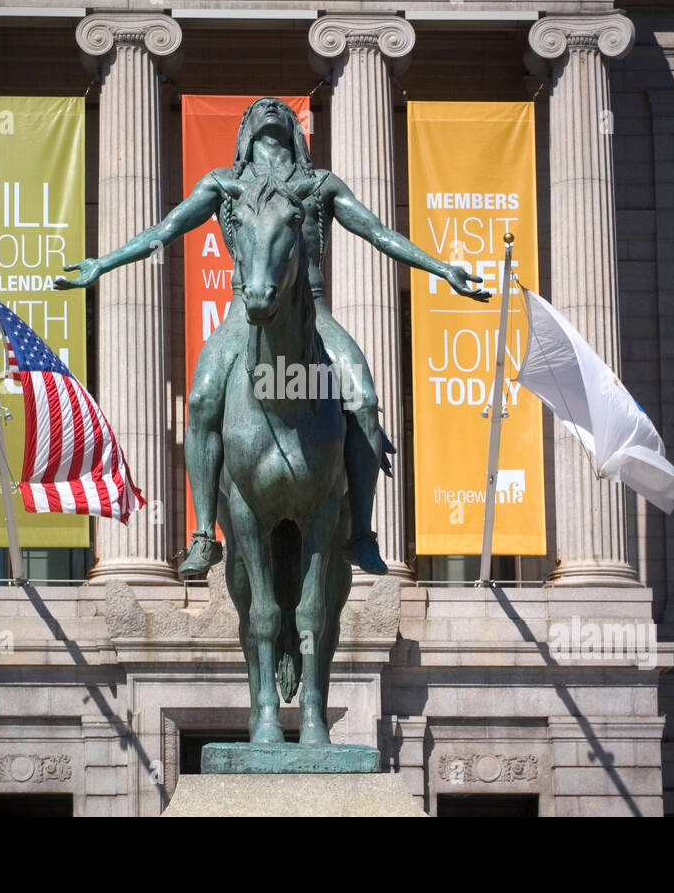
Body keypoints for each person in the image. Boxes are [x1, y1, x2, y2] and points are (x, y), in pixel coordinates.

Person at [56, 96, 489, 576]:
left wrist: (442, 267)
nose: (268, 108)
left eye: (278, 108)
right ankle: (204, 535)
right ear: (244, 133)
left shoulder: (317, 185)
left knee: (364, 399)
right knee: (200, 399)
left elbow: (378, 233)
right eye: (257, 110)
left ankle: (361, 533)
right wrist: (103, 263)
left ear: (295, 129)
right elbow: (166, 229)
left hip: (314, 311)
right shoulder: (226, 184)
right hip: (245, 311)